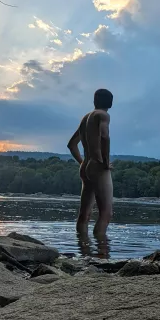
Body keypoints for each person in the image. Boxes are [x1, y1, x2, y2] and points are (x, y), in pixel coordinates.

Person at [67, 88, 113, 238]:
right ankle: (101, 254)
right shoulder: (103, 115)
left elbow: (72, 145)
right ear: (110, 103)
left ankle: (83, 250)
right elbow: (105, 136)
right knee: (106, 213)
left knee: (84, 214)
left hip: (85, 165)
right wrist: (105, 162)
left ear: (95, 101)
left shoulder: (85, 118)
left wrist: (82, 162)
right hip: (98, 166)